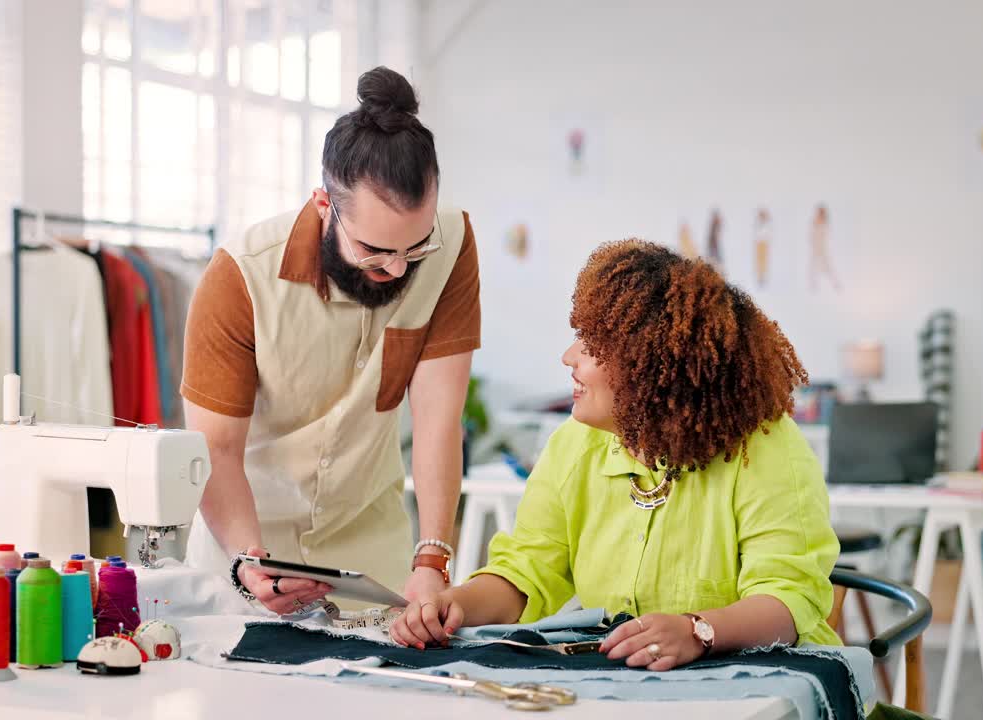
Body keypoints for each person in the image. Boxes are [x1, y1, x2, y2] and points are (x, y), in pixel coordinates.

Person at [390, 240, 840, 669]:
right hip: (632, 682)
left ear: (655, 365)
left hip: (774, 682)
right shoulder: (573, 444)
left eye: (592, 344)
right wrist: (455, 605)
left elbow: (788, 601)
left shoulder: (764, 449)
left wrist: (700, 631)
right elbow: (526, 572)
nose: (569, 357)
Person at [180, 67, 480, 614]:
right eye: (373, 249)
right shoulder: (241, 276)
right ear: (325, 204)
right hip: (248, 559)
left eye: (414, 248)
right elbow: (215, 449)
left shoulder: (452, 246)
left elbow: (440, 420)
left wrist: (432, 559)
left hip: (375, 565)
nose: (396, 268)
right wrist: (251, 564)